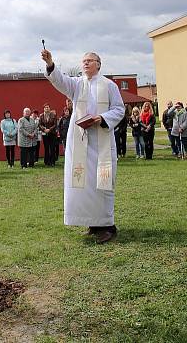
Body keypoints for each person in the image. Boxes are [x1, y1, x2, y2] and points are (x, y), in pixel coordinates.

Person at [42, 49, 125, 244]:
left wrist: (102, 118)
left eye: (90, 61)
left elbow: (119, 109)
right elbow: (59, 80)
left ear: (98, 64)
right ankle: (93, 223)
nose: (86, 63)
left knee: (102, 183)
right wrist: (50, 62)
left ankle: (107, 226)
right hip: (80, 142)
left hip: (101, 142)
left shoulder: (109, 85)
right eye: (84, 61)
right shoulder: (78, 84)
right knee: (83, 185)